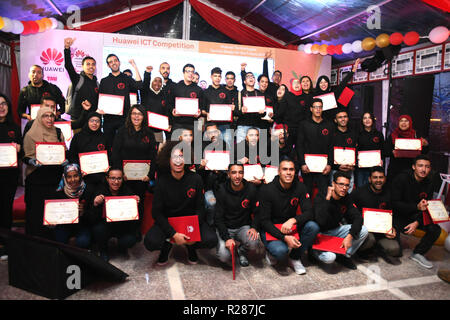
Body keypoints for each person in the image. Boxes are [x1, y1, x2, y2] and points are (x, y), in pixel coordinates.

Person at [143, 141, 218, 265]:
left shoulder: (196, 179)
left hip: (190, 221)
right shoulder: (161, 181)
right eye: (174, 157)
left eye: (181, 156)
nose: (178, 161)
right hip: (169, 221)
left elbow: (200, 208)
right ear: (168, 160)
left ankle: (191, 247)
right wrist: (173, 233)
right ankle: (167, 244)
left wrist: (192, 233)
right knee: (151, 242)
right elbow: (156, 213)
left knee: (211, 239)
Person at [258, 159, 320, 275]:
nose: (288, 173)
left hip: (290, 226)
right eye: (285, 169)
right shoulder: (267, 190)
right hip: (271, 229)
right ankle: (270, 251)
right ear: (279, 172)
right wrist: (284, 238)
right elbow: (264, 221)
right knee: (281, 251)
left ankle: (295, 257)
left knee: (313, 226)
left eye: (291, 169)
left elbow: (309, 212)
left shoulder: (300, 187)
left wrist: (293, 220)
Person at [111, 105, 157, 234]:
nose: (136, 116)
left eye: (140, 114)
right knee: (125, 202)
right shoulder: (122, 131)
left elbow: (153, 155)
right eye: (134, 113)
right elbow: (116, 153)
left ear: (144, 117)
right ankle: (123, 232)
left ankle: (136, 232)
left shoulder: (149, 133)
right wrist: (120, 172)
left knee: (139, 202)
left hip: (142, 177)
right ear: (130, 115)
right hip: (125, 177)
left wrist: (150, 174)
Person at [23, 106, 67, 238]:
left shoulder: (58, 132)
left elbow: (64, 150)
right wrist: (32, 161)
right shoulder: (31, 134)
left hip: (54, 179)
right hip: (37, 180)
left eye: (51, 116)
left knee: (52, 213)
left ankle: (53, 243)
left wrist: (65, 159)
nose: (49, 119)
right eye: (45, 116)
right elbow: (25, 156)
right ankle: (36, 243)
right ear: (39, 117)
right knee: (36, 213)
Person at [391, 155, 441, 269]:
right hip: (398, 215)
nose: (423, 169)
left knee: (435, 229)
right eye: (420, 166)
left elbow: (425, 206)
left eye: (427, 167)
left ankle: (418, 253)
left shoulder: (429, 182)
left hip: (415, 215)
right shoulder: (401, 179)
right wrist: (416, 207)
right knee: (395, 251)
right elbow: (394, 204)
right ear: (414, 167)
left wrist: (417, 222)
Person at [312, 171, 369, 270]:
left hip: (335, 230)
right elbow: (320, 220)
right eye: (341, 184)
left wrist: (350, 236)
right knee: (330, 258)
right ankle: (313, 253)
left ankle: (344, 255)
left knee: (364, 230)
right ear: (333, 184)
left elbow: (358, 217)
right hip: (320, 234)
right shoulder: (322, 195)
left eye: (347, 185)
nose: (344, 188)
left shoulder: (346, 197)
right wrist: (328, 199)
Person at [351, 166, 401, 264]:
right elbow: (349, 210)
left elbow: (395, 214)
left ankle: (378, 249)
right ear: (370, 179)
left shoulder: (390, 193)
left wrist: (393, 228)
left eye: (381, 177)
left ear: (385, 179)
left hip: (382, 231)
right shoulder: (358, 192)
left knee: (394, 249)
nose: (378, 180)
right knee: (369, 240)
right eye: (375, 177)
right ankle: (362, 252)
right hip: (366, 230)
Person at [215, 164, 260, 267]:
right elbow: (218, 218)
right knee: (224, 256)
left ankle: (241, 251)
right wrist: (227, 238)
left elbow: (257, 212)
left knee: (254, 243)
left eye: (240, 172)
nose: (237, 176)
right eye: (234, 172)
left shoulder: (251, 189)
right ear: (229, 174)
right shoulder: (221, 190)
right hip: (226, 227)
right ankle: (224, 244)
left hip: (242, 226)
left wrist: (254, 227)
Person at [90, 167, 139, 261]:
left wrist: (135, 204)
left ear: (123, 179)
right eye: (113, 178)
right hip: (105, 226)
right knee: (98, 229)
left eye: (119, 178)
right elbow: (92, 218)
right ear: (107, 179)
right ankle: (103, 250)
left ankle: (121, 247)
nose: (116, 182)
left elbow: (135, 220)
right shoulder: (100, 191)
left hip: (122, 226)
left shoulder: (128, 192)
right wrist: (95, 204)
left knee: (131, 239)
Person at [98, 54, 143, 148]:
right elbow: (101, 98)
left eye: (115, 60)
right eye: (110, 62)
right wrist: (100, 110)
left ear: (119, 62)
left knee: (124, 144)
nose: (113, 63)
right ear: (108, 65)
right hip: (108, 119)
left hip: (124, 119)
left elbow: (139, 85)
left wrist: (134, 66)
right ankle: (110, 162)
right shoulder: (104, 81)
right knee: (109, 144)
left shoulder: (126, 78)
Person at [0, 94, 23, 259]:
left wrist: (18, 149)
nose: (1, 107)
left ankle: (5, 244)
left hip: (9, 176)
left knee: (6, 209)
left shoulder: (14, 128)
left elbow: (21, 151)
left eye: (3, 104)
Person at [296, 98, 334, 197]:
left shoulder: (329, 125)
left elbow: (331, 146)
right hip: (307, 167)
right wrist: (302, 164)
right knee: (307, 193)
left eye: (320, 107)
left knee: (323, 194)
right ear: (311, 109)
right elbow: (299, 145)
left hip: (323, 167)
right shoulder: (304, 124)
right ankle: (308, 212)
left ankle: (320, 213)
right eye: (315, 107)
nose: (318, 109)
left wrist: (330, 164)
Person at [52, 164, 92, 249]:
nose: (73, 180)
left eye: (76, 176)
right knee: (59, 240)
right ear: (64, 178)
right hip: (64, 225)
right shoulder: (59, 192)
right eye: (69, 177)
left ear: (80, 176)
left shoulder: (88, 190)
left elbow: (93, 214)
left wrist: (84, 212)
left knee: (83, 242)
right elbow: (54, 213)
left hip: (82, 225)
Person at [68, 112, 110, 188]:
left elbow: (109, 155)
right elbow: (72, 155)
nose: (94, 123)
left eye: (97, 121)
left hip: (101, 176)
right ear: (87, 122)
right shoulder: (78, 137)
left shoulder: (105, 137)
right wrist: (78, 170)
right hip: (83, 177)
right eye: (92, 121)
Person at [64, 37, 99, 127]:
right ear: (82, 66)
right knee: (78, 141)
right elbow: (68, 66)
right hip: (77, 119)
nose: (91, 66)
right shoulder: (77, 79)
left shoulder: (97, 83)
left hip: (92, 120)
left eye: (93, 64)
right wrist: (67, 49)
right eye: (88, 64)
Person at [386, 114, 429, 184]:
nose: (403, 123)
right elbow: (385, 151)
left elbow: (424, 152)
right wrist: (392, 152)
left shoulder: (416, 135)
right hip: (395, 169)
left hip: (411, 170)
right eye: (401, 121)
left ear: (410, 123)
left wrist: (426, 145)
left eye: (406, 121)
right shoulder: (393, 135)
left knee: (408, 192)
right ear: (398, 123)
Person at [168, 64, 203, 133]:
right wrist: (172, 110)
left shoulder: (198, 89)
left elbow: (202, 105)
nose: (190, 74)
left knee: (196, 143)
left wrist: (200, 112)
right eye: (188, 71)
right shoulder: (175, 87)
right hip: (178, 123)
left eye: (192, 72)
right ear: (183, 73)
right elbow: (169, 103)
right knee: (176, 143)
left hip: (193, 123)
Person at [203, 67, 233, 146]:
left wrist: (232, 108)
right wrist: (207, 114)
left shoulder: (226, 91)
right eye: (215, 76)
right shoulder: (205, 92)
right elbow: (202, 110)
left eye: (219, 76)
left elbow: (230, 107)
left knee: (228, 145)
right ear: (211, 77)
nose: (217, 78)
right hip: (211, 125)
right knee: (208, 147)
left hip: (224, 125)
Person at [330, 109, 358, 192]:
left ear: (348, 118)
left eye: (345, 117)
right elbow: (329, 152)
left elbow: (356, 152)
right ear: (335, 120)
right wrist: (338, 166)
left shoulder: (353, 134)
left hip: (349, 169)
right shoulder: (331, 134)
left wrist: (353, 165)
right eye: (340, 117)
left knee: (348, 193)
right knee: (335, 193)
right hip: (335, 169)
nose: (343, 119)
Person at [235, 71, 266, 143]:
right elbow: (235, 112)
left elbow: (264, 113)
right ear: (245, 81)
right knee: (240, 150)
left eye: (252, 77)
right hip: (242, 126)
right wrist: (241, 111)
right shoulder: (239, 94)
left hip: (256, 125)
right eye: (248, 77)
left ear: (255, 80)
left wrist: (262, 112)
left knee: (255, 151)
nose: (251, 78)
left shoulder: (259, 94)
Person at [356, 112, 385, 188]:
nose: (367, 120)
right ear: (362, 121)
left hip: (375, 167)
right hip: (362, 168)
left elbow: (383, 149)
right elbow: (355, 150)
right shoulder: (358, 134)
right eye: (365, 118)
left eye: (369, 118)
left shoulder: (379, 134)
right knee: (361, 187)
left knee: (375, 188)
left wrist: (381, 159)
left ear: (373, 120)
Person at [141, 70, 171, 143]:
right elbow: (145, 83)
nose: (157, 83)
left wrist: (169, 123)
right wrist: (147, 73)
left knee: (157, 151)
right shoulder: (146, 92)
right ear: (151, 82)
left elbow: (167, 110)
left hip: (158, 130)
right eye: (155, 80)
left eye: (160, 81)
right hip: (145, 129)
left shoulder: (164, 94)